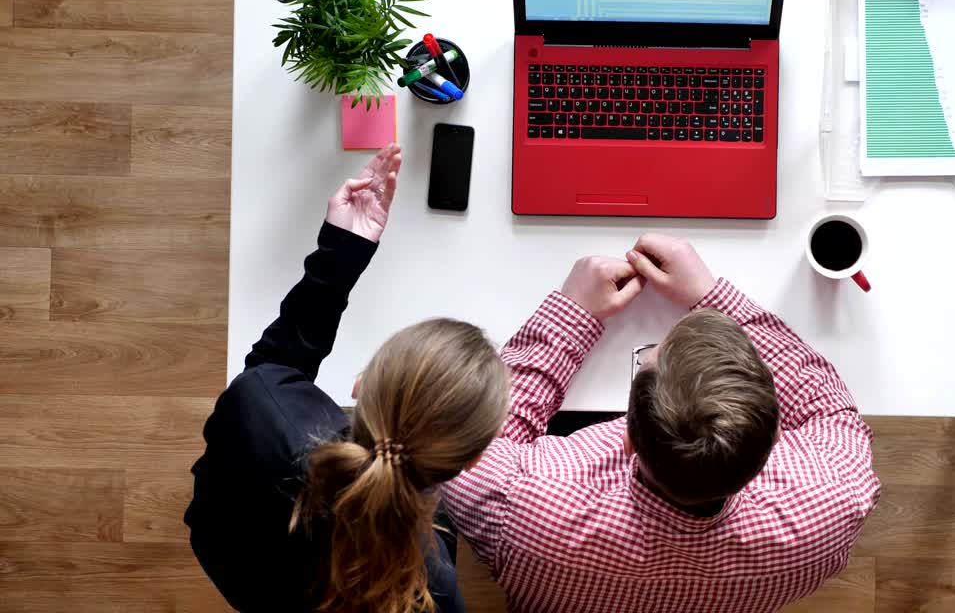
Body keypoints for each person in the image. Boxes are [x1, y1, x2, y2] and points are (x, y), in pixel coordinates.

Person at [443, 233, 881, 613]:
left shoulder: (523, 507)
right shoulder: (833, 507)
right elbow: (827, 406)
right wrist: (714, 296)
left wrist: (572, 313)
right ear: (774, 442)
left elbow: (466, 441)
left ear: (629, 437)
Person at [185, 145, 508, 613]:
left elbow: (276, 368)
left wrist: (342, 252)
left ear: (362, 383)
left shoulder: (263, 407)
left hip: (227, 554)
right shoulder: (432, 584)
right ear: (474, 460)